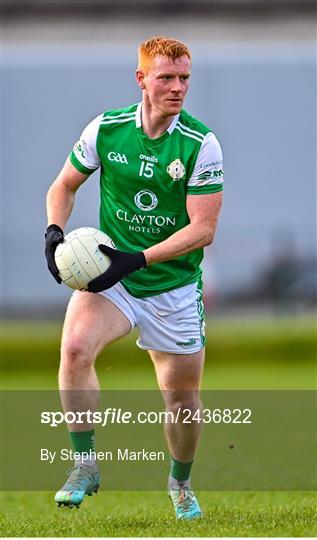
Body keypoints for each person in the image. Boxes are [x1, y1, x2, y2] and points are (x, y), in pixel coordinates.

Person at [45, 36, 223, 520]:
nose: (178, 87)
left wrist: (139, 258)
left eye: (185, 77)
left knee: (182, 404)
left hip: (174, 288)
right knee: (75, 348)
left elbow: (203, 229)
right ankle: (84, 465)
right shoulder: (106, 129)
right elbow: (63, 184)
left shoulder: (200, 143)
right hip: (113, 280)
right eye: (166, 77)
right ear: (141, 79)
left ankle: (180, 482)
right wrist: (55, 231)